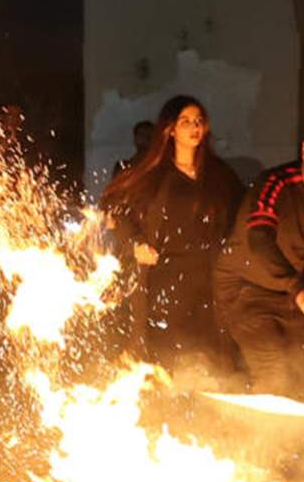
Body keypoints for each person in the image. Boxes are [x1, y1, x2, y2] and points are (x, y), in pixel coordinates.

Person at [212, 115, 304, 405]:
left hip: (287, 290)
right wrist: (302, 292)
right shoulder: (275, 183)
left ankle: (296, 439)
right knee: (273, 372)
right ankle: (259, 444)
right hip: (243, 287)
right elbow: (259, 238)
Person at [100, 95, 244, 374]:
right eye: (186, 121)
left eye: (199, 121)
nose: (194, 127)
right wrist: (135, 243)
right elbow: (115, 208)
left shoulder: (218, 174)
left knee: (205, 354)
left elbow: (243, 212)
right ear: (171, 129)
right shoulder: (153, 172)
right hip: (163, 275)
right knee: (164, 351)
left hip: (205, 276)